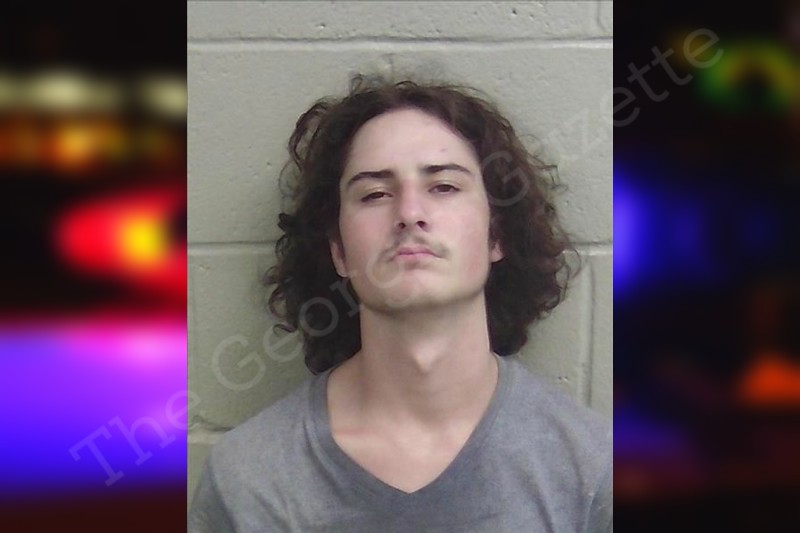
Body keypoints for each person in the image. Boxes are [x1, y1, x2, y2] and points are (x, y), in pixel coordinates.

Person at [189, 74, 612, 532]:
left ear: (497, 234)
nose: (410, 213)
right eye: (375, 194)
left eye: (444, 187)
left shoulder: (592, 471)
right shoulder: (249, 478)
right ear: (339, 250)